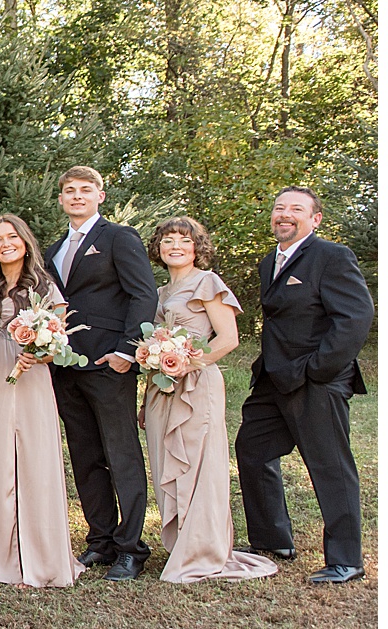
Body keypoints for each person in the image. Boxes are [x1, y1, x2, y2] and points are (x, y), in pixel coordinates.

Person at [234, 187, 373, 585]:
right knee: (253, 450)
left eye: (297, 209)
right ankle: (272, 540)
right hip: (273, 380)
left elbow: (355, 318)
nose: (285, 214)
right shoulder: (269, 263)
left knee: (330, 466)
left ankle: (346, 560)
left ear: (316, 219)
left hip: (317, 380)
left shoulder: (332, 257)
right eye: (279, 208)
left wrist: (317, 369)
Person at [141, 217, 276, 584]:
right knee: (167, 462)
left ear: (197, 248)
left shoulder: (208, 282)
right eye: (167, 240)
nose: (175, 246)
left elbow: (228, 338)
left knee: (198, 465)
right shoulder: (160, 292)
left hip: (196, 384)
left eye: (184, 241)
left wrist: (186, 364)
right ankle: (183, 542)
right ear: (158, 248)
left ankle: (203, 550)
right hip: (161, 386)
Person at [44, 166, 158, 582]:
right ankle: (101, 541)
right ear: (60, 199)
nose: (76, 196)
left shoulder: (118, 238)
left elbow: (143, 293)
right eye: (69, 191)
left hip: (110, 363)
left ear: (100, 196)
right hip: (65, 366)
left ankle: (131, 548)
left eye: (85, 190)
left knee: (121, 452)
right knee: (86, 455)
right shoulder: (55, 249)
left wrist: (128, 350)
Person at [0, 214, 83, 588]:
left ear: (25, 241)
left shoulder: (44, 285)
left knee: (31, 458)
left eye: (12, 237)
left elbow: (59, 340)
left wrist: (39, 353)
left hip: (30, 373)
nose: (6, 244)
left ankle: (36, 556)